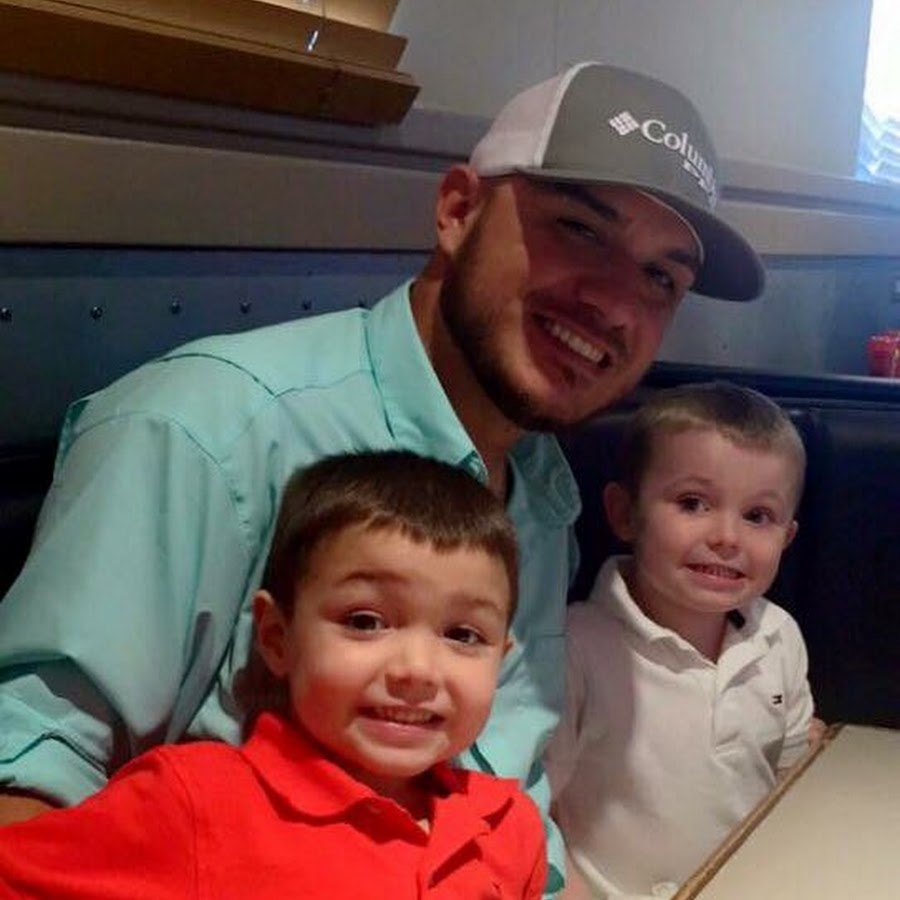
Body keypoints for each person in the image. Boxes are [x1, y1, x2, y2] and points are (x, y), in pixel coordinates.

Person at [0, 62, 764, 892]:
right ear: (458, 211)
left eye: (661, 277)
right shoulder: (207, 428)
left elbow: (506, 797)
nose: (616, 304)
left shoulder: (542, 486)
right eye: (579, 229)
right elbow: (25, 796)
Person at [0, 450, 549, 898]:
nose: (418, 671)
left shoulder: (509, 826)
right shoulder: (197, 803)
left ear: (501, 658)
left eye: (463, 635)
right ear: (276, 638)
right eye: (365, 621)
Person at [544, 381, 815, 899]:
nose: (727, 537)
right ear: (625, 513)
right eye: (693, 503)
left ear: (786, 537)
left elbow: (793, 776)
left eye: (758, 516)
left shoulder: (779, 635)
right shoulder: (572, 649)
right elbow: (533, 814)